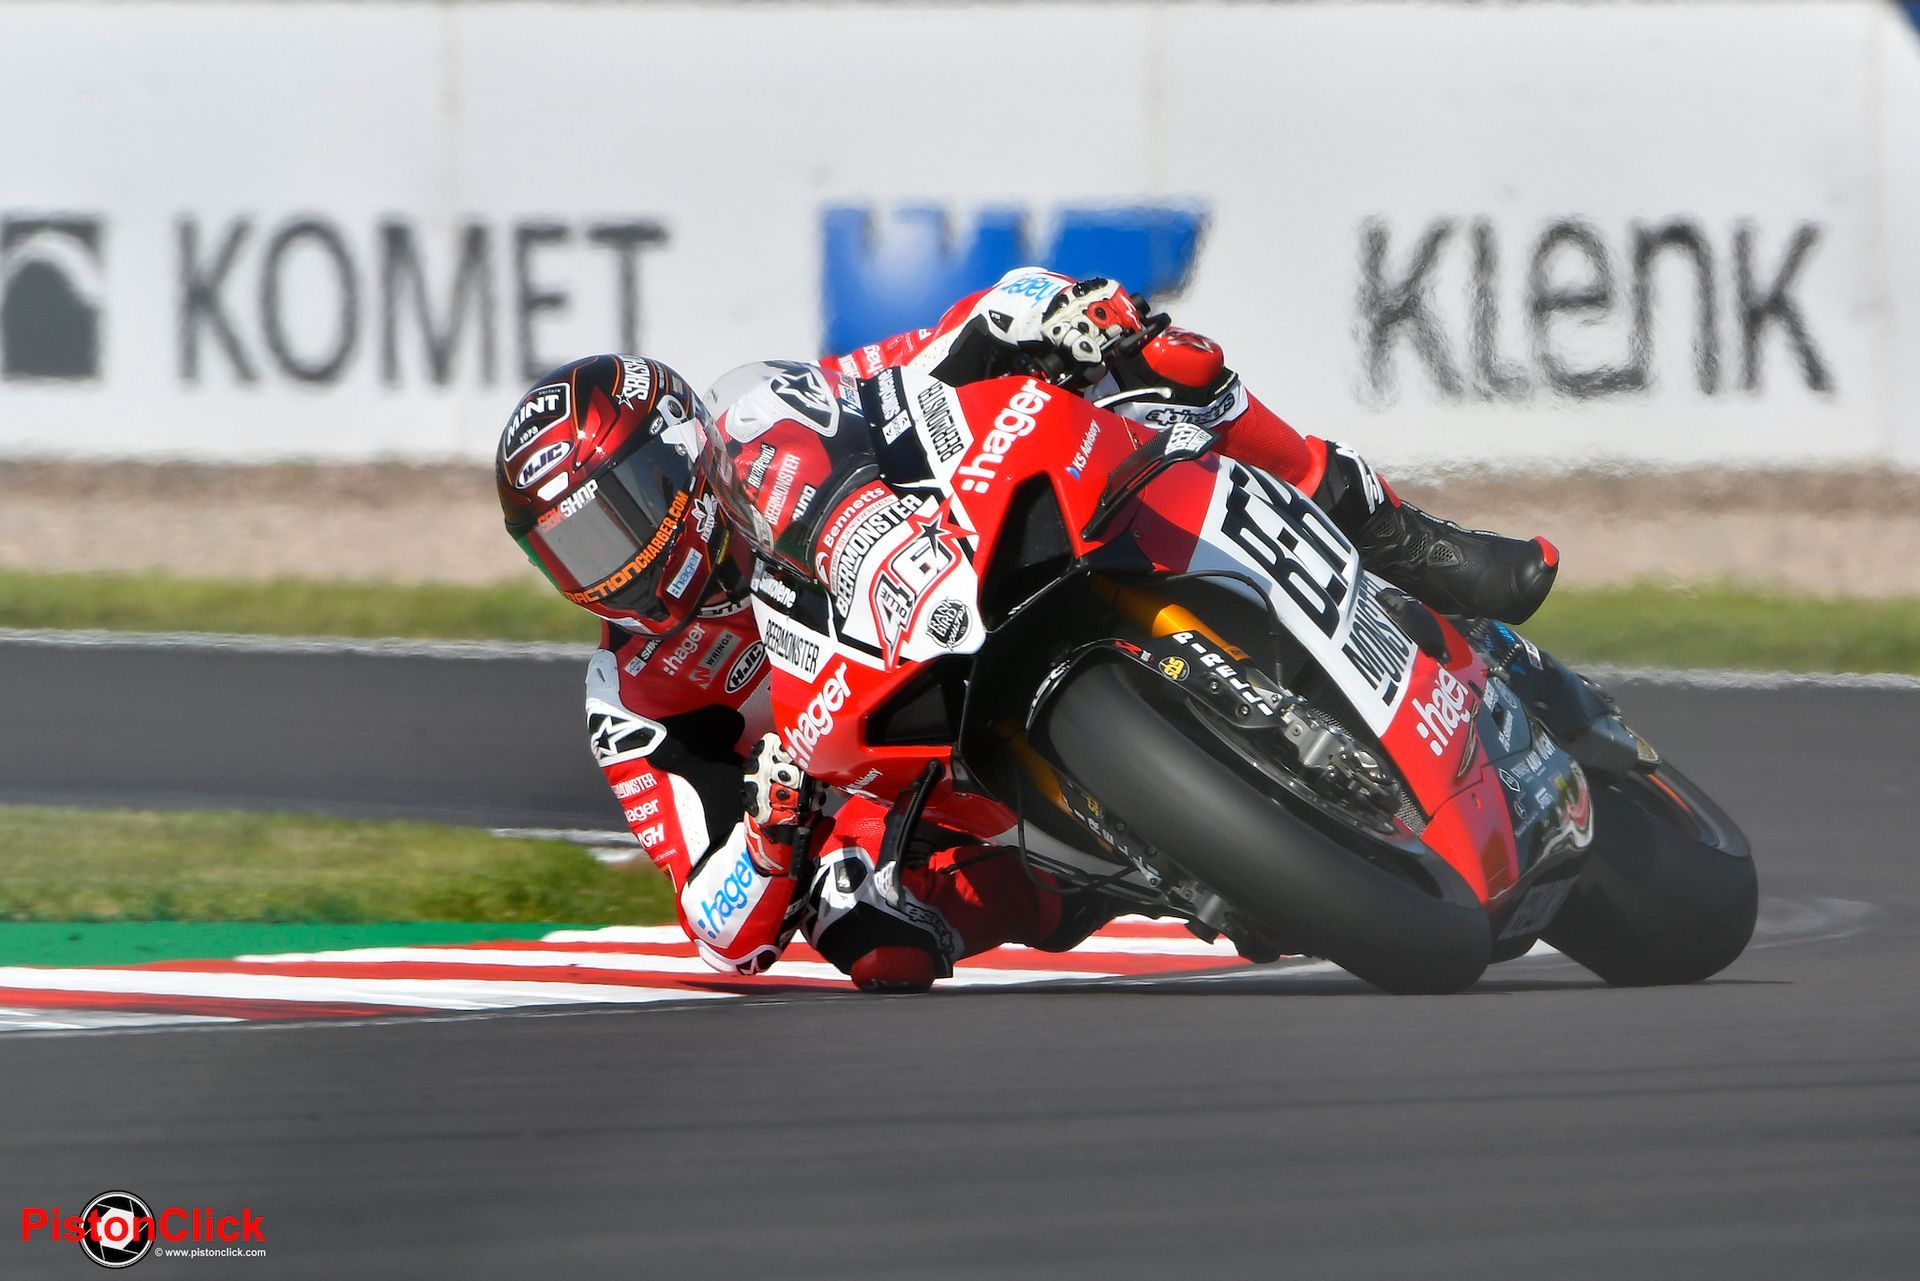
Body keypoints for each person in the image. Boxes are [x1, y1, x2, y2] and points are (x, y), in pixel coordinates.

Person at [493, 268, 1558, 993]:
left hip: (961, 556)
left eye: (619, 515)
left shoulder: (757, 419)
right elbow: (718, 927)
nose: (616, 565)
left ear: (679, 455)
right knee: (869, 939)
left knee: (1162, 362)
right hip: (886, 756)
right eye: (575, 553)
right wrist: (773, 825)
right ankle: (1160, 858)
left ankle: (1392, 530)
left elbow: (910, 365)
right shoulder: (632, 694)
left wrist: (1033, 316)